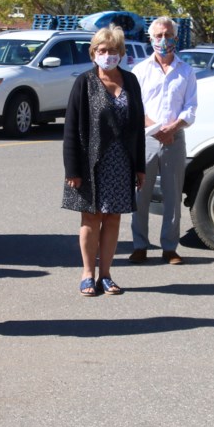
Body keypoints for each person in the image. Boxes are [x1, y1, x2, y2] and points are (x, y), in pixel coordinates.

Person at [63, 25, 146, 296]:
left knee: (112, 219)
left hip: (121, 163)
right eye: (102, 50)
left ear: (121, 53)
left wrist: (139, 166)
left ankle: (106, 275)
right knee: (91, 217)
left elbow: (137, 128)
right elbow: (71, 129)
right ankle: (88, 274)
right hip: (90, 163)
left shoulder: (131, 81)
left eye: (113, 50)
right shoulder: (84, 82)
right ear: (93, 53)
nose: (108, 55)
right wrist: (72, 169)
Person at [129, 17, 197, 265]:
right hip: (146, 138)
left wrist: (174, 127)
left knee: (172, 195)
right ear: (151, 38)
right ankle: (140, 245)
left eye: (167, 35)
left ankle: (170, 248)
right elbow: (135, 107)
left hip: (174, 139)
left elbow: (190, 107)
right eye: (158, 35)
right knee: (140, 194)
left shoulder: (186, 71)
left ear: (176, 38)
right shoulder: (140, 71)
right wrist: (156, 129)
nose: (163, 40)